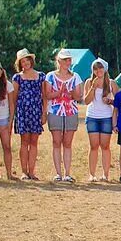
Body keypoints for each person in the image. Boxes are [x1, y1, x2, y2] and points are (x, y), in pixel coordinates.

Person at [44, 49, 83, 183]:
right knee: (56, 142)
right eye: (65, 60)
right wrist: (59, 92)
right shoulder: (50, 76)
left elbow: (79, 96)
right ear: (58, 61)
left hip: (71, 112)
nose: (67, 62)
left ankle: (67, 173)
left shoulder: (76, 77)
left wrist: (71, 93)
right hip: (55, 112)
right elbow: (47, 95)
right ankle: (58, 173)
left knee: (67, 143)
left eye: (69, 59)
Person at [11, 49, 45, 180]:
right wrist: (13, 116)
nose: (25, 63)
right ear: (20, 63)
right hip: (22, 112)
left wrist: (44, 113)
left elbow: (44, 97)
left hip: (36, 112)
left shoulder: (41, 76)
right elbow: (14, 99)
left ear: (31, 60)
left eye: (27, 60)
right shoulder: (17, 77)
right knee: (24, 142)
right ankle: (24, 172)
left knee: (34, 142)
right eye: (22, 61)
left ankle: (32, 171)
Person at [83, 59, 117, 182]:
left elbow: (118, 101)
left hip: (106, 117)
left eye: (100, 68)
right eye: (96, 69)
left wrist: (110, 101)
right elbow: (86, 101)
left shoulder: (111, 83)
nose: (98, 71)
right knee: (93, 146)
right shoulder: (89, 82)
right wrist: (93, 87)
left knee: (105, 146)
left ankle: (106, 174)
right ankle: (92, 174)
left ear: (105, 69)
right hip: (92, 116)